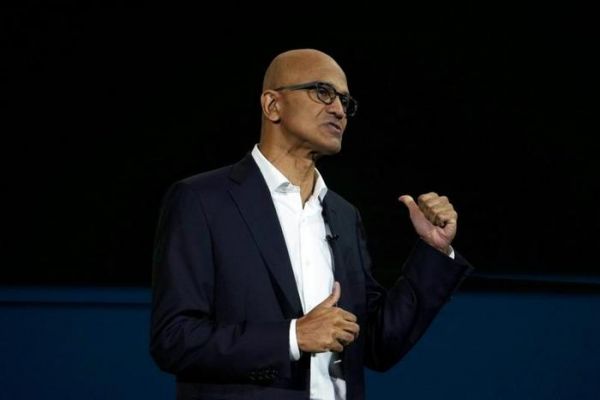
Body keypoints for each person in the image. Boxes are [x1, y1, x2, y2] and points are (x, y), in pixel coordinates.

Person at [150, 48, 473, 400]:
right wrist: (292, 337)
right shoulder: (202, 201)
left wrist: (434, 250)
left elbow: (377, 344)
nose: (339, 110)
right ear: (272, 105)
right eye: (322, 92)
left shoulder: (343, 215)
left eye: (345, 101)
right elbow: (174, 339)